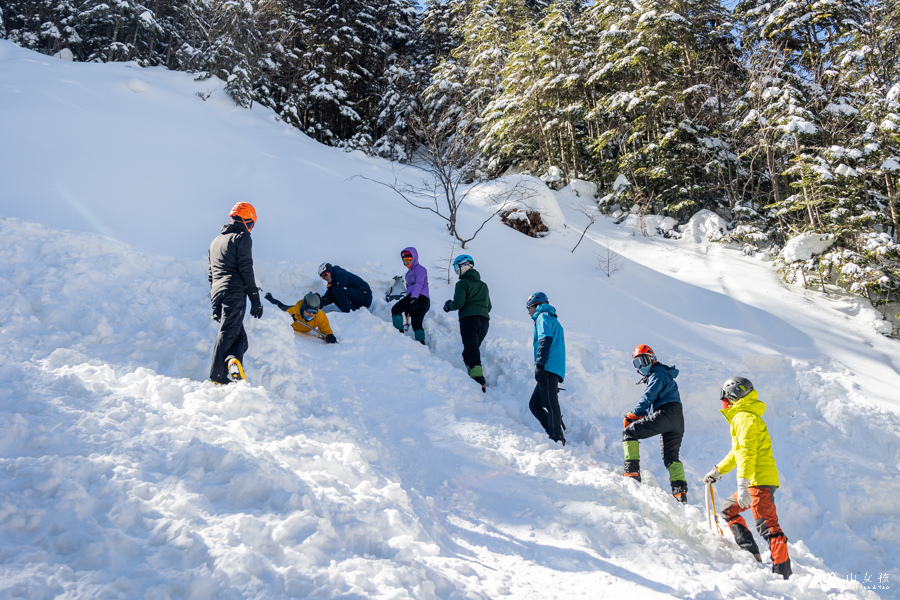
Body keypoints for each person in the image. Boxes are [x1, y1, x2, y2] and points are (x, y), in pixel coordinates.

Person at [703, 377, 792, 580]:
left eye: (724, 396)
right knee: (728, 509)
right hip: (755, 479)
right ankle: (751, 553)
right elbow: (737, 452)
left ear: (733, 396)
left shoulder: (744, 417)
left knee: (768, 527)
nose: (723, 401)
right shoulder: (743, 417)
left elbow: (746, 453)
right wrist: (717, 470)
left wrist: (742, 485)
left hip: (758, 481)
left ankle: (783, 575)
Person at [622, 344, 688, 503]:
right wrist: (640, 415)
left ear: (653, 359)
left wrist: (633, 414)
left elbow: (648, 397)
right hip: (677, 419)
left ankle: (631, 473)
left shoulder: (657, 374)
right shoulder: (663, 374)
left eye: (644, 360)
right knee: (671, 457)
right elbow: (653, 400)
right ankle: (680, 493)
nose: (642, 366)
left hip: (666, 413)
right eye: (637, 363)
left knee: (629, 432)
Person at [208, 202, 263, 384]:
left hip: (218, 292)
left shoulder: (216, 241)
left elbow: (211, 275)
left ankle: (233, 361)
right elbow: (246, 268)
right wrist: (255, 299)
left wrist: (215, 304)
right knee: (228, 332)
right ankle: (217, 376)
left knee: (241, 338)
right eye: (252, 224)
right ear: (248, 221)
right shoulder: (242, 237)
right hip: (234, 291)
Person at [442, 254, 491, 392]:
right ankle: (472, 376)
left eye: (457, 267)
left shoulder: (462, 283)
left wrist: (448, 306)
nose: (457, 270)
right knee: (469, 350)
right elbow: (489, 307)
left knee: (471, 348)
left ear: (465, 265)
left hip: (469, 319)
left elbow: (458, 303)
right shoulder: (483, 285)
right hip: (484, 322)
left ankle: (478, 379)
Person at [527, 293, 566, 445]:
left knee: (551, 403)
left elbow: (545, 339)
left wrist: (540, 364)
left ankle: (557, 437)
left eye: (529, 308)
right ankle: (553, 431)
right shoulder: (552, 318)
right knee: (535, 404)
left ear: (536, 305)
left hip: (548, 366)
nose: (528, 312)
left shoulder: (543, 317)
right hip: (552, 367)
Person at [391, 247, 430, 344]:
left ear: (414, 257)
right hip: (419, 299)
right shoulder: (408, 273)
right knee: (416, 323)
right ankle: (421, 345)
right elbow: (409, 290)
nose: (407, 262)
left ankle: (398, 335)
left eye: (409, 259)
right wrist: (410, 305)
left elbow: (419, 284)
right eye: (405, 260)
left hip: (420, 297)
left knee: (396, 309)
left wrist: (413, 298)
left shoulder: (420, 269)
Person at [265, 291, 338, 343]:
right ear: (303, 308)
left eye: (314, 312)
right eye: (309, 311)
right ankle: (268, 297)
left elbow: (326, 330)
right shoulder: (291, 313)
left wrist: (329, 336)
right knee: (280, 306)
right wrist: (287, 319)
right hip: (291, 309)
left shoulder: (320, 316)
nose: (311, 314)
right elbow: (278, 322)